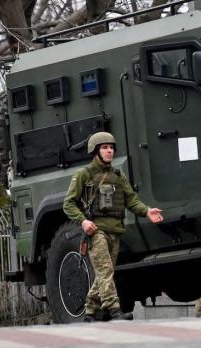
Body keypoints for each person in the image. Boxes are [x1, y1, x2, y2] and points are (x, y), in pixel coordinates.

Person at [63, 131, 164, 322]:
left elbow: (131, 200)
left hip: (115, 232)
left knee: (104, 272)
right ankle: (115, 310)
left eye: (111, 147)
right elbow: (68, 204)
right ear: (95, 151)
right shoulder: (83, 175)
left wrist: (147, 211)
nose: (110, 151)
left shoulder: (117, 175)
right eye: (105, 148)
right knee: (106, 271)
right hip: (96, 232)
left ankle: (90, 310)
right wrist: (83, 221)